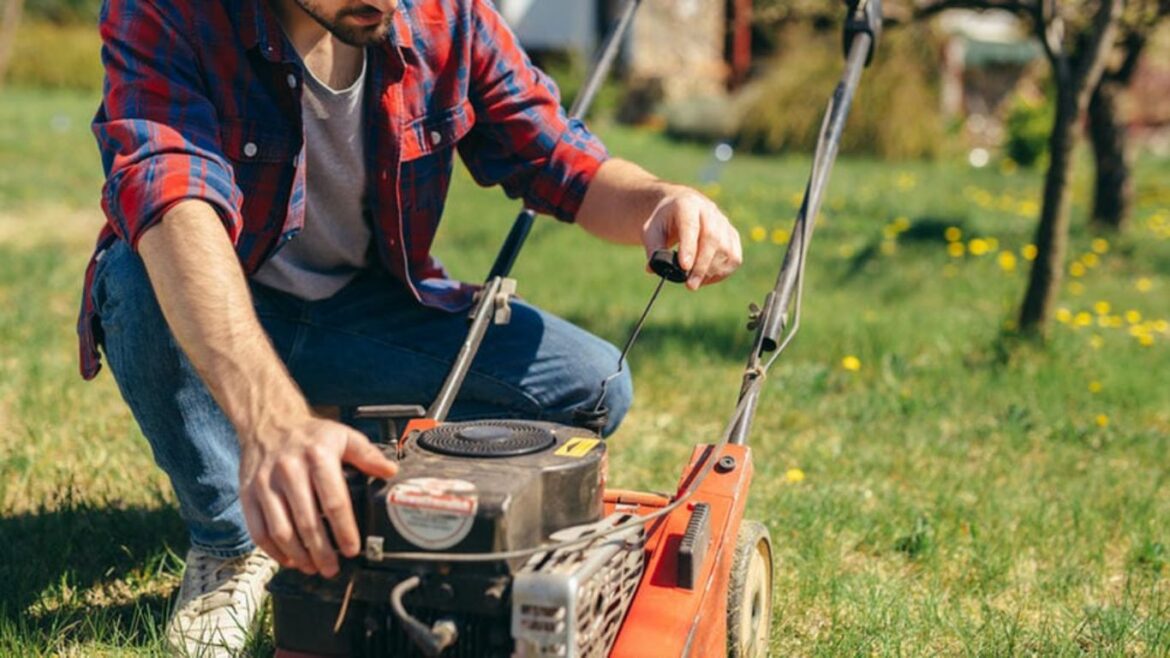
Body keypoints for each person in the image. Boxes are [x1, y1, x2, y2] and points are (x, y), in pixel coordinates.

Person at [81, 0, 742, 654]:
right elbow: (173, 199)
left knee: (592, 386)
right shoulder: (168, 12)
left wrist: (661, 200)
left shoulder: (445, 14)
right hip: (215, 305)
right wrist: (272, 424)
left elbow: (560, 158)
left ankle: (346, 461)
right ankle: (231, 540)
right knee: (137, 280)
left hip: (363, 315)